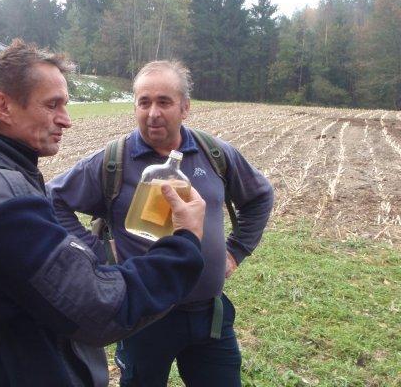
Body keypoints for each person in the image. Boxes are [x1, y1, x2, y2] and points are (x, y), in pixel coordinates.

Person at [0, 41, 209, 386]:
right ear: (3, 107)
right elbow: (99, 309)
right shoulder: (3, 201)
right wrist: (185, 242)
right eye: (52, 105)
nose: (66, 120)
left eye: (65, 105)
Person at [47, 60, 274, 386]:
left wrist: (236, 250)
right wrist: (98, 252)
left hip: (209, 315)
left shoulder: (214, 154)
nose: (153, 113)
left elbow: (260, 196)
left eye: (164, 102)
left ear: (185, 107)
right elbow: (53, 199)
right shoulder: (113, 161)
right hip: (143, 317)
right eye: (144, 102)